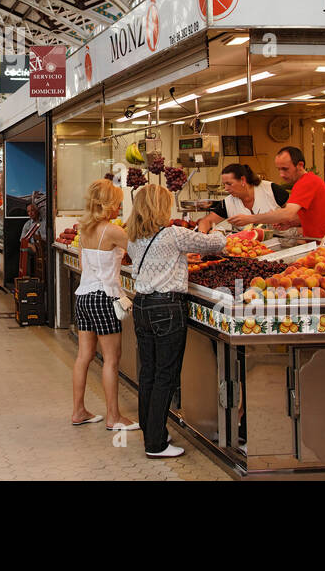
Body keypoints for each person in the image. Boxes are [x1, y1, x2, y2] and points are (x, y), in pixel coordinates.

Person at [127, 183, 227, 458]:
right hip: (168, 308)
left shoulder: (133, 236)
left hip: (143, 305)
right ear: (161, 207)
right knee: (166, 376)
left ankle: (152, 432)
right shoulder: (173, 234)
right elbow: (216, 243)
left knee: (148, 373)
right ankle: (156, 444)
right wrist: (215, 228)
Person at [71, 178, 136, 430]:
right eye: (118, 202)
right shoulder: (112, 231)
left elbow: (83, 261)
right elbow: (139, 250)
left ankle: (78, 411)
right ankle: (114, 417)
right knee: (111, 359)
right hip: (104, 297)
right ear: (108, 203)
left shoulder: (83, 228)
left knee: (83, 356)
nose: (119, 207)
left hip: (84, 295)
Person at [228, 146, 325, 240]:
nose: (281, 174)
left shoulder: (307, 182)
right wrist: (291, 223)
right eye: (279, 169)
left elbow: (288, 213)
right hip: (322, 240)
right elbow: (315, 214)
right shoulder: (306, 181)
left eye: (285, 169)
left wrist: (250, 219)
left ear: (300, 165)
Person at [195, 163, 294, 234]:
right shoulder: (228, 202)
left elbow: (296, 214)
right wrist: (201, 235)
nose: (226, 188)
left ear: (243, 180)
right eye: (224, 184)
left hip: (286, 245)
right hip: (249, 251)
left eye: (229, 184)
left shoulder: (271, 190)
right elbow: (206, 221)